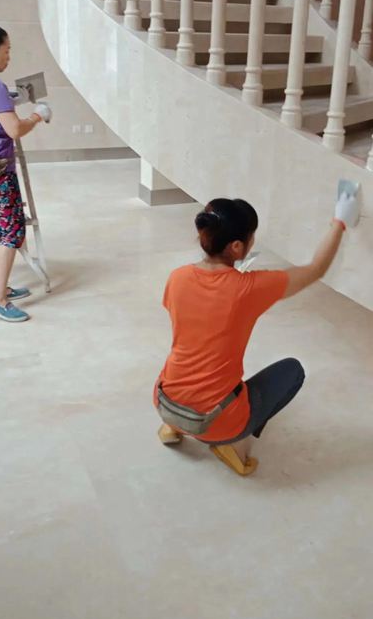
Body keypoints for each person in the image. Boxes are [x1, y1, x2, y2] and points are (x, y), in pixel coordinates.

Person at [154, 192, 359, 476]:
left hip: (164, 400)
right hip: (216, 422)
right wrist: (340, 221)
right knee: (292, 371)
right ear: (237, 246)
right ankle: (229, 444)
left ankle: (174, 425)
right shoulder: (249, 289)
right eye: (251, 237)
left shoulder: (177, 277)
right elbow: (316, 270)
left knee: (188, 360)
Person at [0, 21, 51, 322]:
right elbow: (14, 129)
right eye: (6, 52)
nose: (9, 58)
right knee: (10, 232)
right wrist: (36, 115)